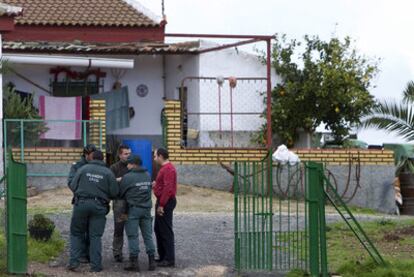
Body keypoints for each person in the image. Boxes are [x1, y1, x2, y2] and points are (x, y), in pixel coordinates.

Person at [68, 150, 119, 272]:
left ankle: (74, 262)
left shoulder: (83, 169)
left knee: (76, 233)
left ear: (92, 158)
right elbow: (114, 192)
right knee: (95, 236)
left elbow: (73, 185)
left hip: (81, 204)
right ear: (103, 159)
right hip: (99, 206)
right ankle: (95, 266)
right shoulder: (108, 172)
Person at [119, 155, 156, 272]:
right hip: (146, 209)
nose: (127, 165)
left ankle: (134, 263)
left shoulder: (127, 177)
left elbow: (121, 193)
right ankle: (152, 262)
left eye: (129, 164)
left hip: (132, 210)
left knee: (132, 235)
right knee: (148, 235)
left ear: (134, 164)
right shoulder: (147, 175)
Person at [67, 144, 97, 263]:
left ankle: (90, 254)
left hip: (95, 201)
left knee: (92, 229)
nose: (94, 157)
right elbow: (71, 182)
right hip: (81, 200)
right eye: (92, 154)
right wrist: (83, 191)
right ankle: (80, 254)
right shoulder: (77, 166)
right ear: (86, 154)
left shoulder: (97, 165)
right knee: (79, 230)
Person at [153, 148, 177, 267]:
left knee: (165, 230)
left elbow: (168, 189)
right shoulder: (164, 168)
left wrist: (161, 205)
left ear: (161, 156)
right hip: (162, 201)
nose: (154, 158)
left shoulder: (168, 169)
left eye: (155, 156)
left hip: (166, 202)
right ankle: (162, 256)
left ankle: (169, 259)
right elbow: (163, 185)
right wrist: (156, 185)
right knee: (158, 229)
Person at [110, 144, 132, 262]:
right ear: (120, 155)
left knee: (131, 227)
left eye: (129, 153)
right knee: (119, 227)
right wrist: (121, 179)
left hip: (131, 202)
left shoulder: (133, 166)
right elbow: (110, 182)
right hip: (119, 202)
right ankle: (117, 253)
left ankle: (133, 253)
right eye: (126, 154)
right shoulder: (114, 167)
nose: (128, 156)